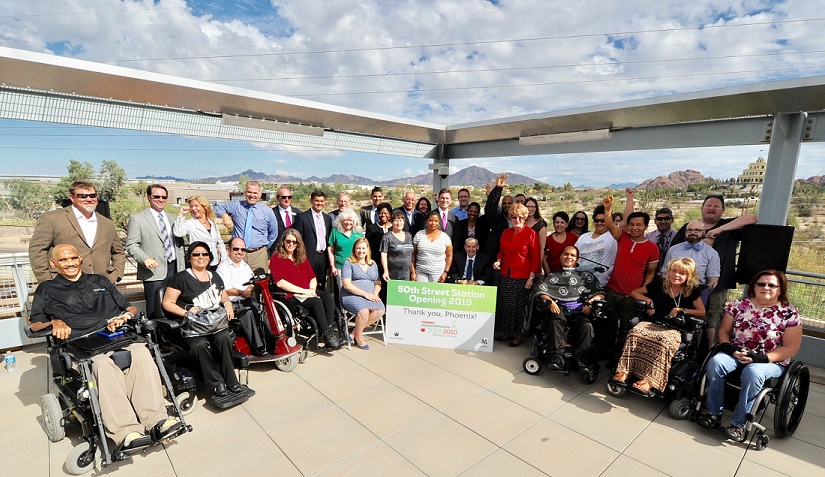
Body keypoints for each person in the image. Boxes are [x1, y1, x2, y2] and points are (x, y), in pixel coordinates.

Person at [30, 244, 181, 451]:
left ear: (80, 259)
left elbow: (129, 307)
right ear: (53, 264)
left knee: (141, 352)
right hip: (80, 345)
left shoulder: (99, 281)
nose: (70, 263)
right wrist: (53, 323)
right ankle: (126, 432)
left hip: (113, 336)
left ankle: (157, 421)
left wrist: (125, 316)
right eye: (63, 260)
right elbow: (35, 324)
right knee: (103, 365)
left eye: (73, 258)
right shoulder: (46, 289)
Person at [698, 270, 802, 442]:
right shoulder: (738, 305)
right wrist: (730, 349)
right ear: (754, 286)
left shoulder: (789, 313)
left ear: (780, 289)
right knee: (716, 362)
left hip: (769, 360)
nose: (766, 287)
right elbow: (723, 331)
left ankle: (739, 425)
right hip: (736, 353)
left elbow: (791, 348)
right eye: (761, 283)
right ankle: (713, 413)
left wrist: (761, 358)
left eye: (771, 285)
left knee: (753, 372)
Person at [162, 242, 248, 398]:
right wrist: (185, 312)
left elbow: (223, 295)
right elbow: (167, 303)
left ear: (209, 258)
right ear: (190, 257)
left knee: (223, 338)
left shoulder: (214, 276)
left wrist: (228, 304)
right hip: (195, 326)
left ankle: (231, 380)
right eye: (196, 254)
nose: (201, 257)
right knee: (199, 345)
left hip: (215, 323)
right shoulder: (180, 278)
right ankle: (216, 383)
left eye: (205, 254)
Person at [611, 258, 706, 396]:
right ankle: (624, 371)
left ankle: (650, 380)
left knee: (663, 341)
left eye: (682, 273)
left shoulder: (691, 291)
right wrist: (648, 300)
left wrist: (681, 310)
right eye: (674, 271)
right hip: (653, 322)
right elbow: (634, 292)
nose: (677, 275)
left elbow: (702, 312)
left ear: (688, 276)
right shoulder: (659, 284)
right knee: (635, 333)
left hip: (675, 328)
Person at [672, 194, 758, 346]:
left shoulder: (729, 227)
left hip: (717, 286)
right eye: (708, 205)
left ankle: (709, 352)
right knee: (687, 319)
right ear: (702, 208)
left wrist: (718, 230)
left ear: (723, 210)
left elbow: (752, 218)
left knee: (711, 321)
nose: (711, 209)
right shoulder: (690, 228)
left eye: (716, 206)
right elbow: (676, 252)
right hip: (687, 287)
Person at [29, 180, 125, 284]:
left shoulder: (107, 223)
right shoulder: (51, 219)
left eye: (93, 196)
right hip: (66, 285)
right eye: (83, 196)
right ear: (72, 197)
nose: (89, 199)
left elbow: (118, 251)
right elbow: (37, 251)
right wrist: (47, 282)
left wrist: (117, 274)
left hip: (103, 284)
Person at [603, 190, 660, 359]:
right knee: (608, 325)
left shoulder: (652, 248)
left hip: (631, 296)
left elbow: (651, 273)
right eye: (632, 224)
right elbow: (610, 225)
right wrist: (608, 210)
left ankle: (619, 358)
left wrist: (641, 291)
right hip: (612, 290)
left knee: (626, 327)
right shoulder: (623, 238)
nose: (635, 227)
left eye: (639, 225)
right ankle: (606, 354)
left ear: (646, 226)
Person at [531, 245, 604, 371]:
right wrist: (550, 301)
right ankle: (556, 358)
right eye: (566, 254)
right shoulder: (554, 275)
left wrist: (590, 302)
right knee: (555, 322)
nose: (568, 257)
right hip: (560, 308)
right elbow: (540, 291)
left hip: (580, 311)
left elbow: (600, 293)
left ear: (577, 259)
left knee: (587, 326)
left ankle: (582, 361)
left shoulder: (586, 276)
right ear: (560, 257)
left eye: (572, 255)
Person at [269, 229, 343, 349]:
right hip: (290, 294)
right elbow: (280, 283)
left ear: (298, 244)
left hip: (307, 290)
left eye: (295, 242)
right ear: (283, 241)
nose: (291, 244)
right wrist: (304, 291)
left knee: (328, 297)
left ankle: (327, 332)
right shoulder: (277, 258)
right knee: (316, 301)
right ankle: (327, 335)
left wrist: (312, 290)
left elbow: (312, 276)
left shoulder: (301, 257)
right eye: (288, 241)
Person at [125, 184, 184, 318]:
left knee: (176, 305)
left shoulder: (173, 219)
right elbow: (131, 245)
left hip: (175, 269)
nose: (160, 199)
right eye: (156, 196)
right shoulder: (138, 218)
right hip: (154, 271)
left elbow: (179, 245)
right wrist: (144, 258)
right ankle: (155, 337)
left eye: (164, 197)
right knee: (154, 308)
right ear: (148, 197)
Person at [493, 203, 541, 347]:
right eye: (514, 217)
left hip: (523, 276)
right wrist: (498, 260)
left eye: (520, 217)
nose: (517, 219)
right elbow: (501, 251)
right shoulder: (506, 233)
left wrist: (531, 278)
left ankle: (518, 334)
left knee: (519, 307)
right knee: (506, 304)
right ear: (510, 217)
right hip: (506, 274)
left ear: (525, 217)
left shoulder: (531, 234)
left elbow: (535, 258)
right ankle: (507, 331)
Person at [216, 238, 268, 356]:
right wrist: (241, 292)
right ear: (228, 249)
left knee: (263, 310)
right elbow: (225, 290)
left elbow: (251, 283)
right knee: (247, 313)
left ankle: (272, 340)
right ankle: (258, 347)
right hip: (232, 304)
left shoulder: (245, 266)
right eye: (236, 249)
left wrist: (250, 289)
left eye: (243, 249)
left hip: (247, 299)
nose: (240, 252)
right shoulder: (223, 268)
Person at [213, 181, 278, 274]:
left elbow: (273, 233)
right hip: (237, 253)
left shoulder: (267, 212)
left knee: (259, 284)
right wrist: (224, 215)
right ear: (245, 193)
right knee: (235, 282)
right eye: (249, 192)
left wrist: (263, 247)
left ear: (260, 194)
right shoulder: (236, 206)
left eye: (255, 193)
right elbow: (215, 209)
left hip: (258, 255)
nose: (252, 195)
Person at [341, 237, 385, 350]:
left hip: (370, 296)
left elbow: (378, 282)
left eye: (363, 248)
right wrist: (366, 294)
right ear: (354, 250)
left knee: (380, 310)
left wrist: (374, 294)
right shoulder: (348, 262)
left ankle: (354, 332)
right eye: (358, 248)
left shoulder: (372, 264)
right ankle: (359, 338)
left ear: (368, 249)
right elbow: (347, 284)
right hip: (351, 295)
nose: (361, 251)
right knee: (364, 311)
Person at [174, 195, 229, 269]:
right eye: (191, 206)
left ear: (205, 208)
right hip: (199, 263)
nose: (193, 209)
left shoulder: (212, 223)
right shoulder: (189, 224)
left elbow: (220, 242)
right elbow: (178, 233)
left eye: (196, 206)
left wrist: (224, 258)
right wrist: (181, 215)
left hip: (214, 263)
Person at [662, 220, 720, 289]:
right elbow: (664, 273)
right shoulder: (673, 250)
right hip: (673, 290)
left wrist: (702, 295)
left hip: (698, 292)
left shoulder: (711, 253)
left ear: (703, 232)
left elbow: (713, 281)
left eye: (697, 230)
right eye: (689, 230)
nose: (692, 232)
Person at [294, 191, 333, 290]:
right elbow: (297, 239)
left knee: (321, 284)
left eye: (322, 201)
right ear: (311, 201)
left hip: (323, 257)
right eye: (317, 201)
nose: (319, 203)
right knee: (307, 283)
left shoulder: (327, 218)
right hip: (308, 257)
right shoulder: (302, 217)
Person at [574, 205, 616, 287]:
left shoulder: (613, 237)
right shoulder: (583, 237)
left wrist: (629, 198)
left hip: (601, 284)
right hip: (580, 283)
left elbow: (625, 223)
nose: (599, 223)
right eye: (597, 220)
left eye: (602, 220)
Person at [411, 211, 454, 283]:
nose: (433, 223)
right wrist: (413, 271)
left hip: (438, 272)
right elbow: (413, 254)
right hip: (421, 271)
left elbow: (449, 255)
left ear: (439, 222)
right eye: (430, 220)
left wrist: (446, 272)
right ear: (426, 221)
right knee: (421, 293)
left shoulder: (445, 237)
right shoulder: (419, 235)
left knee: (435, 293)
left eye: (436, 221)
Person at [328, 209, 365, 282]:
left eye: (351, 220)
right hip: (340, 267)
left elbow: (363, 250)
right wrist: (332, 266)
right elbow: (330, 250)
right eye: (346, 220)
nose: (348, 223)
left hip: (357, 266)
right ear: (341, 221)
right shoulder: (335, 232)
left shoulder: (358, 232)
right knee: (342, 290)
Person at [484, 173, 514, 260]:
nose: (506, 205)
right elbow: (490, 208)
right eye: (504, 203)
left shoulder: (520, 221)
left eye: (509, 203)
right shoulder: (498, 219)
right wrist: (498, 189)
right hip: (497, 257)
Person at [381, 211, 414, 282]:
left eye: (400, 220)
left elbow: (411, 254)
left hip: (406, 273)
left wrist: (413, 271)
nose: (398, 223)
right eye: (396, 221)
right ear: (392, 222)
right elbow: (383, 255)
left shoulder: (408, 235)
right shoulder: (387, 237)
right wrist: (385, 271)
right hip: (393, 273)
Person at [646, 207, 678, 274]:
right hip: (650, 273)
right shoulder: (648, 237)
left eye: (666, 218)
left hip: (671, 273)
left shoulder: (678, 237)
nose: (663, 221)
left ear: (672, 220)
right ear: (655, 221)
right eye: (659, 219)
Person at [524, 197, 547, 271]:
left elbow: (541, 249)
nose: (530, 209)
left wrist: (537, 267)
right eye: (528, 206)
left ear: (536, 208)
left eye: (533, 206)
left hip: (533, 262)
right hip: (521, 262)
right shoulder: (520, 223)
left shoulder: (540, 226)